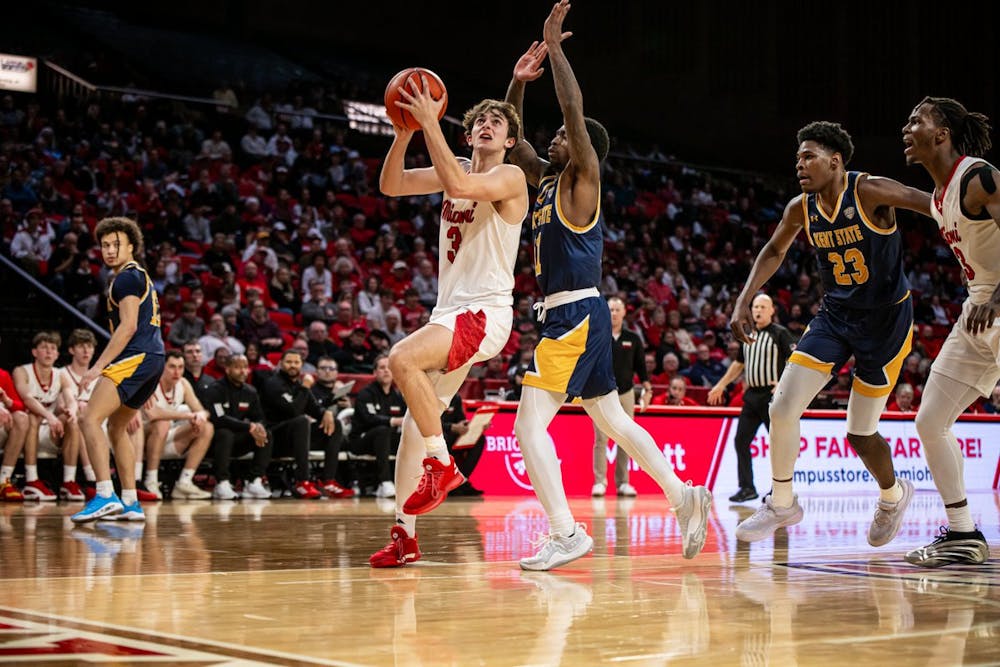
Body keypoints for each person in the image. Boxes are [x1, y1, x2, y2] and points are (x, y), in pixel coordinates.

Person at [503, 1, 711, 571]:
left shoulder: (582, 182)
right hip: (570, 316)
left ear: (582, 149)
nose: (550, 143)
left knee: (527, 426)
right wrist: (518, 84)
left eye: (561, 141)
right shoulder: (546, 183)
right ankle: (684, 495)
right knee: (614, 420)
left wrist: (559, 48)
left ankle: (566, 532)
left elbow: (574, 110)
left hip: (574, 315)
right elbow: (513, 143)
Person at [729, 121, 931, 547]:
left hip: (886, 323)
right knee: (782, 406)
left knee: (859, 433)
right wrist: (745, 297)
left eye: (809, 156)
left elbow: (934, 204)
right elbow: (773, 250)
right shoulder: (800, 208)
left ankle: (893, 496)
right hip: (836, 317)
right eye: (797, 158)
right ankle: (782, 502)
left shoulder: (871, 189)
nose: (799, 164)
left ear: (835, 160)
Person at [369, 68, 529, 568]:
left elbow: (460, 181)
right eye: (480, 118)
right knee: (412, 429)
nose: (487, 124)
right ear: (467, 131)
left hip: (484, 313)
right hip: (452, 312)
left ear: (510, 140)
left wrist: (427, 122)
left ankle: (443, 463)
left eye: (497, 122)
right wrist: (403, 135)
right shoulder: (453, 164)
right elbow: (391, 184)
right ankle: (405, 535)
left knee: (401, 359)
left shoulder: (509, 177)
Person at [902, 96, 996, 566]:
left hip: (996, 301)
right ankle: (963, 533)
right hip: (977, 312)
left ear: (941, 135)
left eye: (917, 120)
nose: (907, 127)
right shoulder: (940, 197)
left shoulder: (978, 176)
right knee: (929, 420)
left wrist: (997, 296)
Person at [72, 217, 167, 523]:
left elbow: (127, 328)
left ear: (131, 247)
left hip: (138, 356)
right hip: (150, 358)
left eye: (116, 244)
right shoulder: (141, 276)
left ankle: (104, 494)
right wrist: (145, 377)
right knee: (116, 426)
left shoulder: (126, 278)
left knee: (89, 417)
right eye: (105, 245)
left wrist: (98, 367)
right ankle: (130, 502)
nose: (110, 250)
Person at [708, 293, 794, 503]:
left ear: (772, 310)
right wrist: (721, 385)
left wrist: (783, 384)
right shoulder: (747, 334)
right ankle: (747, 488)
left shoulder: (780, 334)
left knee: (777, 444)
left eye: (763, 307)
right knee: (741, 441)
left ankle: (779, 490)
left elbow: (795, 360)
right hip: (752, 395)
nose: (758, 310)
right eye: (755, 307)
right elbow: (739, 364)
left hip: (772, 396)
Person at [259, 349, 340, 499]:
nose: (293, 366)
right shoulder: (273, 384)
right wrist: (305, 387)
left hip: (297, 439)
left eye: (296, 362)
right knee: (301, 421)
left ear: (301, 365)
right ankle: (302, 481)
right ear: (280, 364)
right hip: (274, 439)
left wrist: (326, 413)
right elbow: (293, 411)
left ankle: (328, 480)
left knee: (336, 423)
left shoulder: (299, 386)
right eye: (289, 362)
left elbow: (315, 409)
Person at [591, 297, 650, 498]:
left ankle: (623, 483)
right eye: (611, 310)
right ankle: (599, 482)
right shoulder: (597, 335)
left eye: (617, 309)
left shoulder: (633, 338)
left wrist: (647, 389)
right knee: (601, 439)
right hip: (601, 393)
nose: (614, 313)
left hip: (626, 393)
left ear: (624, 312)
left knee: (626, 439)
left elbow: (642, 368)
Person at [141, 350, 213, 500]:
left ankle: (184, 483)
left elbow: (201, 411)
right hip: (140, 438)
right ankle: (151, 480)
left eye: (180, 367)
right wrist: (187, 415)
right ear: (162, 367)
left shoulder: (183, 384)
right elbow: (152, 414)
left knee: (207, 427)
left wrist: (199, 417)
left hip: (165, 437)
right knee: (162, 423)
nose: (177, 372)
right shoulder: (150, 382)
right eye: (172, 367)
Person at [202, 354, 273, 500]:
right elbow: (219, 419)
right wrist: (249, 427)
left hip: (239, 440)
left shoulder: (250, 391)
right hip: (214, 442)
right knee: (225, 433)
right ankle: (222, 483)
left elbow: (259, 417)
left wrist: (258, 427)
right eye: (237, 367)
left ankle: (255, 481)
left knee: (267, 434)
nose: (242, 371)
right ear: (227, 369)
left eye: (245, 367)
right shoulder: (216, 389)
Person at [350, 354, 406, 500]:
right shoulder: (365, 394)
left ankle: (412, 482)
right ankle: (385, 482)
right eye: (382, 368)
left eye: (389, 368)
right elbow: (369, 419)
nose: (386, 371)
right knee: (382, 430)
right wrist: (393, 420)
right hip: (362, 441)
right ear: (374, 372)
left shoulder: (397, 396)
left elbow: (406, 418)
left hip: (386, 441)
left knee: (413, 436)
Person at [308, 356, 353, 498]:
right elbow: (313, 413)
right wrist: (332, 398)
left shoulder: (342, 392)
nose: (327, 371)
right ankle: (329, 481)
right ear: (316, 371)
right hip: (316, 435)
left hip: (340, 437)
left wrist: (348, 407)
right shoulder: (311, 391)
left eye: (331, 368)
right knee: (337, 426)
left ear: (337, 372)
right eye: (323, 368)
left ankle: (352, 482)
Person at [0, 362, 29, 501]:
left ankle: (3, 480)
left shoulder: (3, 375)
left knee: (21, 418)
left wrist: (7, 401)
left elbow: (20, 406)